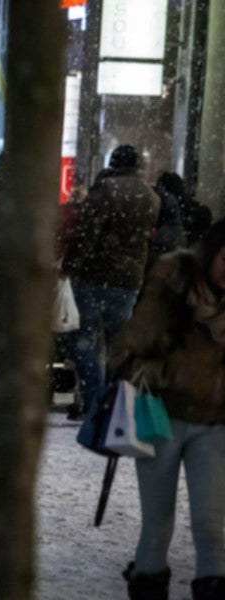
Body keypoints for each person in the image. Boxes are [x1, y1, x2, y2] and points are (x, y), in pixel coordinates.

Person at [109, 219, 225, 600]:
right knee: (157, 525)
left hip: (215, 421)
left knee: (211, 526)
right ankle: (147, 584)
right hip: (160, 415)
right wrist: (158, 372)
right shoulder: (173, 282)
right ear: (210, 253)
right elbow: (128, 350)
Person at [62, 145, 160, 419]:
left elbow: (88, 234)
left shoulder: (105, 190)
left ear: (114, 163)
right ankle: (119, 402)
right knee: (118, 343)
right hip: (129, 279)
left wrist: (72, 264)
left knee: (82, 338)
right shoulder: (150, 195)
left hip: (96, 275)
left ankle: (95, 398)